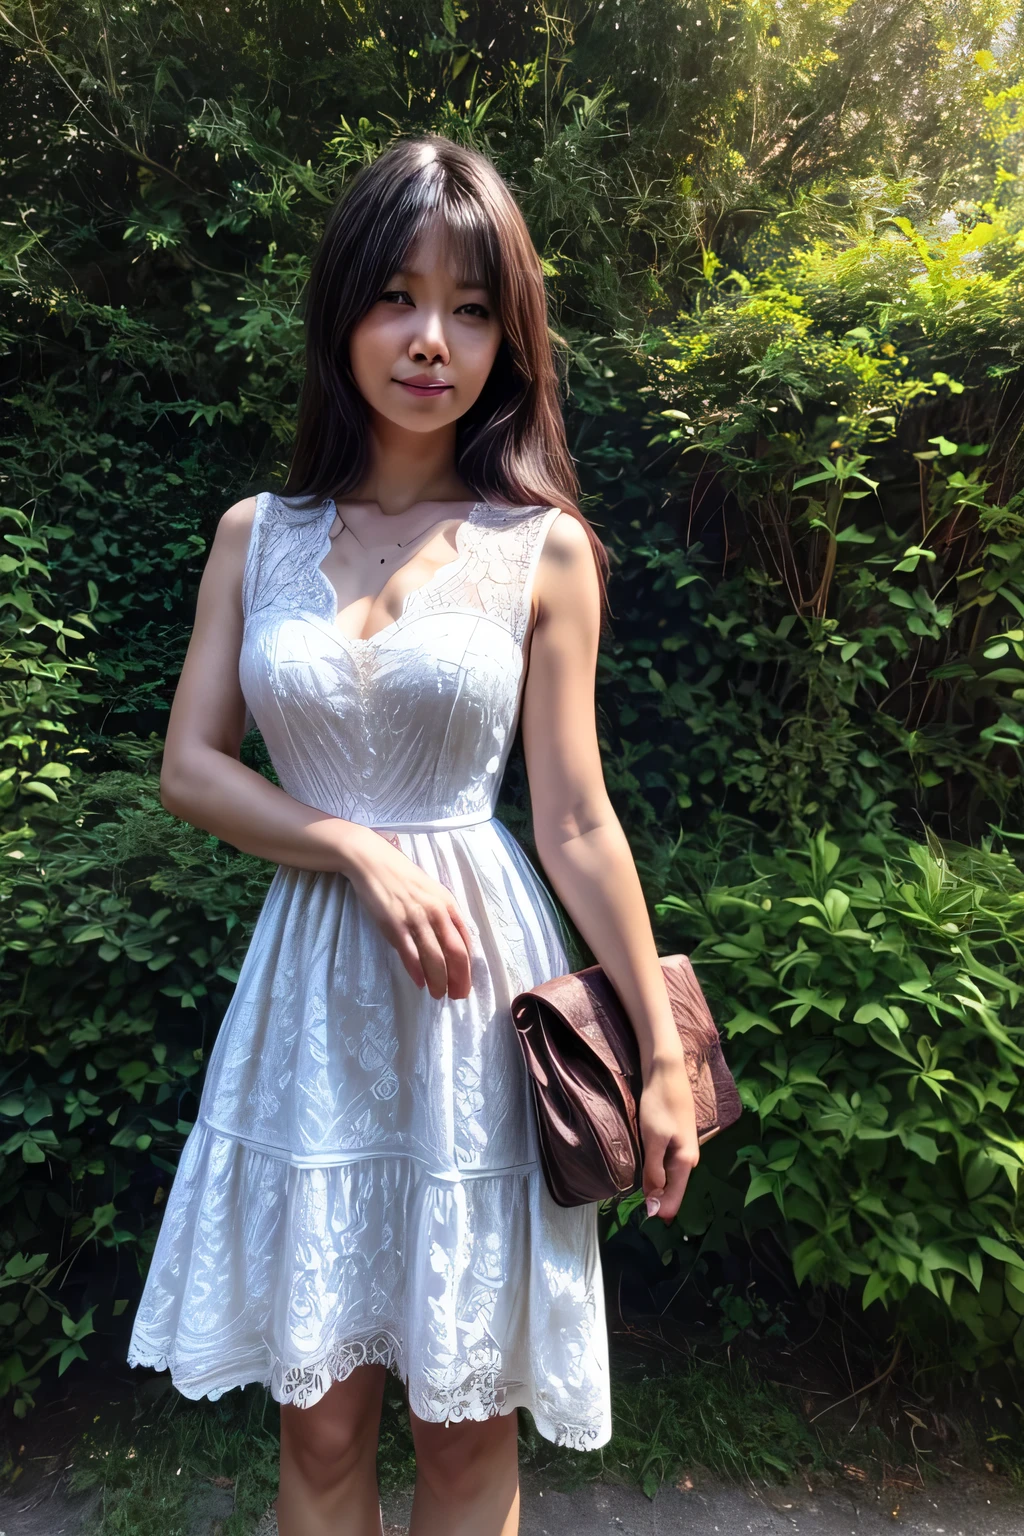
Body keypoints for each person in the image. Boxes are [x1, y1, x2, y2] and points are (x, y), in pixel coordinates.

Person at [126, 133, 699, 1536]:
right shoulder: (255, 535)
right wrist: (355, 846)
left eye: (472, 305)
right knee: (319, 1433)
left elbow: (571, 816)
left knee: (463, 1427)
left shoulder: (542, 548)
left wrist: (664, 1055)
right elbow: (192, 767)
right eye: (397, 294)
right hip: (313, 997)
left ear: (510, 336)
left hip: (472, 1010)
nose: (431, 338)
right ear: (343, 314)